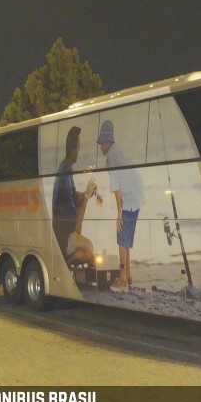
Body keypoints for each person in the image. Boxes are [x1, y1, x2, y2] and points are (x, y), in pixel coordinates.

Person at [97, 120, 145, 293]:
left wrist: (118, 214)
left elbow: (117, 189)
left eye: (101, 144)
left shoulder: (112, 158)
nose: (101, 148)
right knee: (126, 239)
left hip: (130, 197)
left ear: (106, 142)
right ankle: (129, 275)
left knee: (121, 237)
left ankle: (123, 279)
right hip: (138, 195)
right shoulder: (118, 152)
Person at [52, 126, 97, 267]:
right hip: (65, 238)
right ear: (72, 150)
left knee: (88, 253)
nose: (79, 150)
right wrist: (87, 197)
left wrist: (85, 193)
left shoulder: (66, 168)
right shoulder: (65, 174)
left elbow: (73, 196)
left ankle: (67, 264)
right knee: (89, 249)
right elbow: (76, 224)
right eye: (78, 147)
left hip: (64, 234)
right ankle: (64, 263)